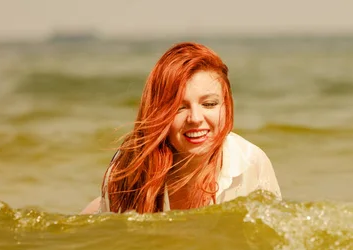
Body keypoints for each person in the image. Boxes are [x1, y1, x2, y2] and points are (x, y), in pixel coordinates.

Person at [81, 42, 281, 214]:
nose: (195, 118)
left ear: (226, 105)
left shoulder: (251, 162)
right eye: (179, 107)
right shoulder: (129, 168)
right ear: (159, 111)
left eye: (209, 104)